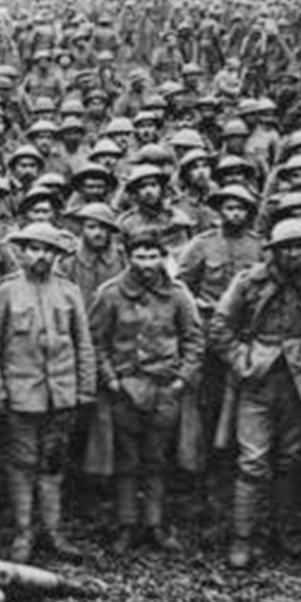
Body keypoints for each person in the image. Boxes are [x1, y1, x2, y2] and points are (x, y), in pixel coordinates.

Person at [209, 218, 301, 569]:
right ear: (274, 251)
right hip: (258, 380)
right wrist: (242, 360)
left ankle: (285, 531)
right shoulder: (249, 281)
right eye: (286, 247)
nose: (294, 254)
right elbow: (220, 327)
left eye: (300, 247)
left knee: (291, 459)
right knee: (252, 460)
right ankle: (242, 537)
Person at [0, 222, 96, 562]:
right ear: (21, 252)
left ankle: (53, 532)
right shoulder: (5, 290)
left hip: (61, 394)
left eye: (47, 250)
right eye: (33, 248)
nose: (40, 256)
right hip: (21, 395)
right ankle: (23, 533)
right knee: (21, 465)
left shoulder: (69, 291)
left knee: (54, 464)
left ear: (56, 255)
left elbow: (83, 343)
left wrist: (85, 390)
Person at [88, 232, 205, 554]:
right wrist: (111, 380)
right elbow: (96, 341)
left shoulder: (178, 294)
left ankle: (155, 524)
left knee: (157, 460)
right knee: (126, 461)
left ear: (163, 257)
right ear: (128, 258)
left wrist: (181, 381)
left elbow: (194, 340)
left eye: (153, 256)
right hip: (125, 389)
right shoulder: (110, 294)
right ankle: (126, 524)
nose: (147, 264)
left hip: (165, 387)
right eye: (140, 256)